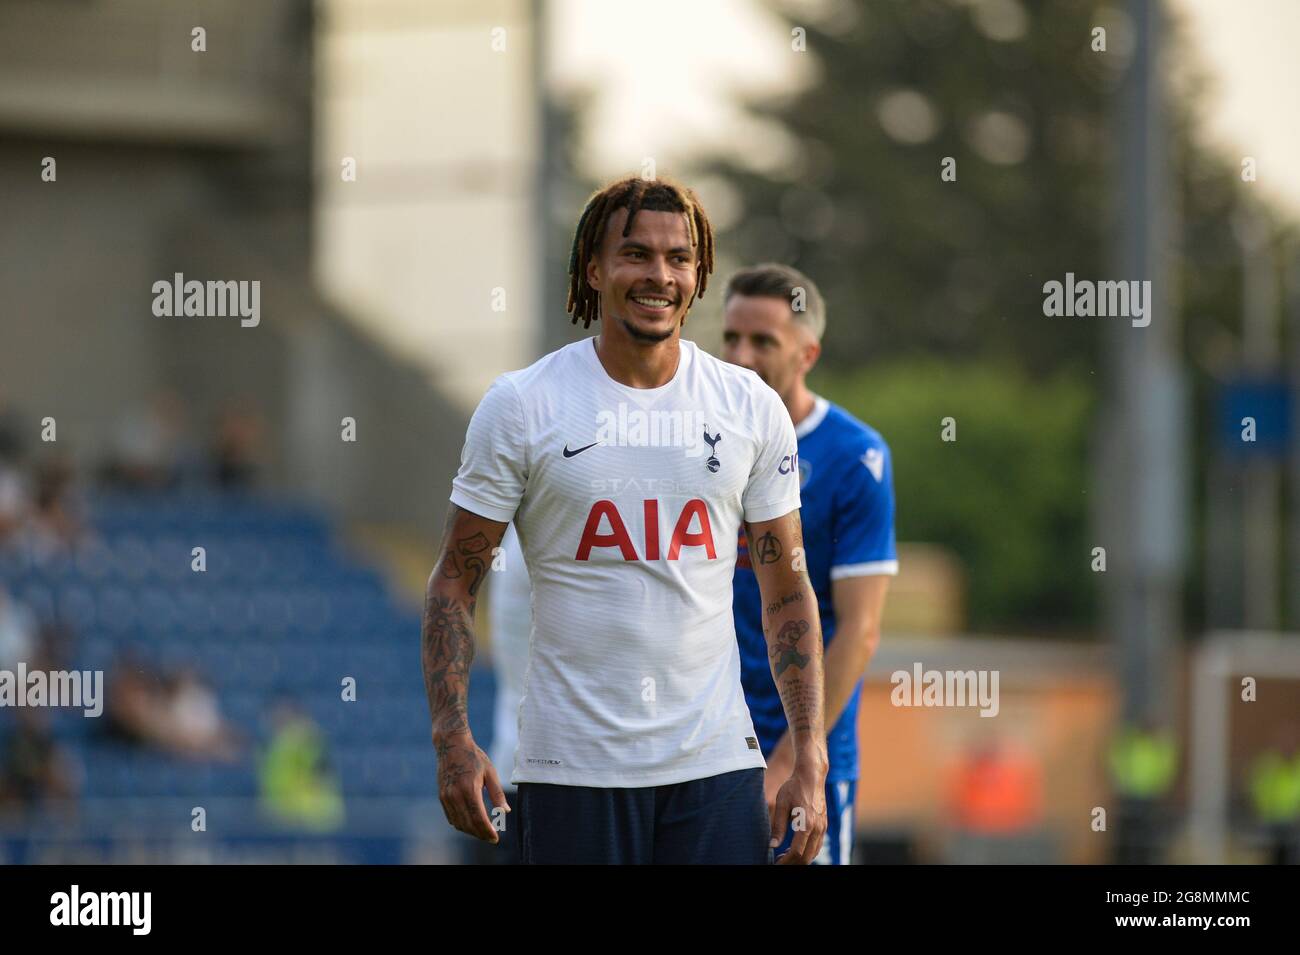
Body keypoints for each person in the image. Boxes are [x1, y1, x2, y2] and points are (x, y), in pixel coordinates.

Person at [422, 174, 828, 864]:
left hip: (715, 767)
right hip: (569, 772)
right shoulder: (523, 405)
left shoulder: (749, 408)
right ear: (593, 267)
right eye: (635, 254)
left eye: (678, 258)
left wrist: (808, 754)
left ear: (698, 276)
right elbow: (454, 584)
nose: (658, 275)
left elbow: (787, 592)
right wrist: (452, 738)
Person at [722, 263, 897, 865]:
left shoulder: (855, 457)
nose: (742, 357)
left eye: (764, 341)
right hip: (701, 754)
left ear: (808, 354)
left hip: (802, 760)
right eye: (731, 338)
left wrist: (793, 756)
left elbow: (861, 628)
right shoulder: (698, 442)